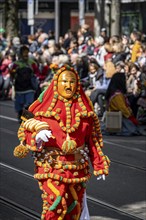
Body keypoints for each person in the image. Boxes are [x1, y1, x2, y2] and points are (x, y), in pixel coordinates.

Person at [13, 64, 110, 220]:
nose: (68, 85)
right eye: (64, 81)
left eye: (72, 82)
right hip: (51, 166)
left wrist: (99, 164)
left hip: (78, 168)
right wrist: (37, 136)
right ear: (56, 83)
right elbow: (25, 130)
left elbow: (93, 140)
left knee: (74, 208)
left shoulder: (86, 112)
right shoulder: (42, 109)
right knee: (55, 204)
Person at [104, 72, 141, 136]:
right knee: (133, 130)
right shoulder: (117, 95)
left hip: (113, 117)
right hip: (120, 118)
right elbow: (123, 109)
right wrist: (131, 116)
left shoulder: (113, 92)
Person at [10, 45, 40, 122]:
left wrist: (36, 79)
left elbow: (37, 73)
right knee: (19, 104)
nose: (25, 54)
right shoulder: (16, 64)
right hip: (19, 87)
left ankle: (27, 119)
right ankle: (20, 115)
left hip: (29, 87)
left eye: (26, 52)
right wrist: (13, 73)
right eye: (23, 52)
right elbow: (12, 74)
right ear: (20, 54)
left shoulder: (32, 63)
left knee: (29, 103)